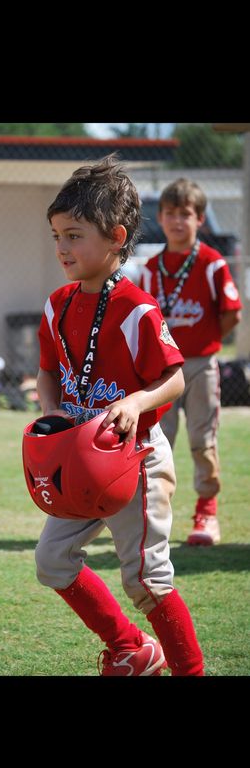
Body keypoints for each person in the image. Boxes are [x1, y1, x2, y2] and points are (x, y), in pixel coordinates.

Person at [34, 155, 205, 676]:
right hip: (81, 462)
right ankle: (131, 647)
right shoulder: (57, 305)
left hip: (137, 463)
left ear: (115, 237)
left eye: (75, 235)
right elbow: (47, 371)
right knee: (52, 561)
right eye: (57, 235)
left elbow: (175, 378)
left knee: (147, 581)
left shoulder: (136, 308)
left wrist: (133, 401)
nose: (62, 247)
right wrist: (52, 413)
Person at [140, 178, 242, 546]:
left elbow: (232, 313)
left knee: (202, 440)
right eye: (169, 213)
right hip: (162, 372)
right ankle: (153, 515)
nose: (177, 221)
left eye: (185, 214)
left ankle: (206, 513)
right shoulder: (151, 268)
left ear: (200, 219)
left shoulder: (212, 264)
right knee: (155, 442)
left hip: (200, 364)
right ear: (160, 218)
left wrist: (207, 339)